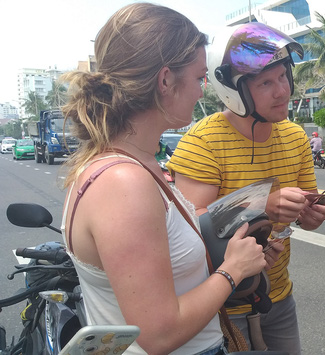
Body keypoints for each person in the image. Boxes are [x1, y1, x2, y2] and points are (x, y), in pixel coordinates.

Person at [59, 3, 281, 354]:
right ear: (165, 80)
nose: (201, 90)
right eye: (197, 77)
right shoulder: (124, 183)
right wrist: (234, 270)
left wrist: (240, 253)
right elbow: (159, 333)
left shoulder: (136, 161)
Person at [166, 22, 325, 355]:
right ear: (234, 89)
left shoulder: (296, 137)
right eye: (266, 82)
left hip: (278, 295)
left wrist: (312, 215)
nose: (282, 91)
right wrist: (262, 208)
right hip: (221, 305)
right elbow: (192, 226)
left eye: (284, 76)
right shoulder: (203, 142)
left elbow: (307, 217)